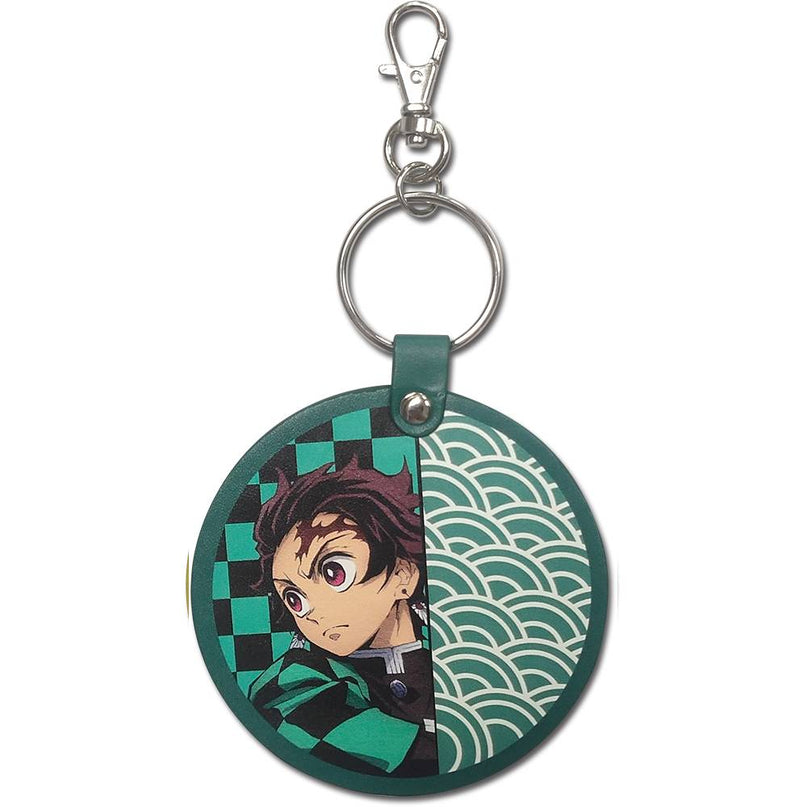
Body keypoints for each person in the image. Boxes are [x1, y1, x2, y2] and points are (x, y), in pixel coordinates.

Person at [248, 459, 438, 777]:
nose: (314, 612)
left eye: (333, 573)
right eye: (294, 598)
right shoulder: (292, 683)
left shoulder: (453, 667)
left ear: (403, 574)